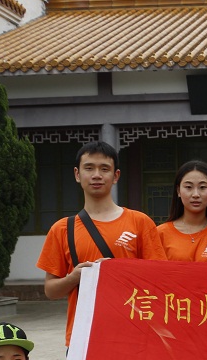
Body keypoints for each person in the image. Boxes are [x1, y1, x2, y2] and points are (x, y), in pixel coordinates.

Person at [37, 141, 167, 347]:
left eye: (104, 169)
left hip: (133, 334)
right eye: (89, 168)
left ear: (116, 176)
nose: (96, 175)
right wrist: (74, 277)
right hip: (83, 338)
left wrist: (121, 272)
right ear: (77, 174)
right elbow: (51, 291)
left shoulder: (140, 222)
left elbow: (160, 280)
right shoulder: (62, 229)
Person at [155, 160, 207, 261]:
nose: (195, 194)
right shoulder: (160, 234)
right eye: (188, 187)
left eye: (202, 187)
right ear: (178, 191)